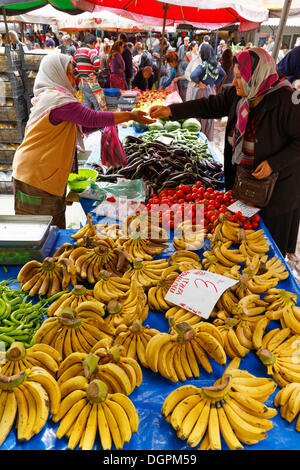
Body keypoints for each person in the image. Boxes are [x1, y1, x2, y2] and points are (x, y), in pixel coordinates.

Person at [149, 47, 300, 259]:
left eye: (241, 78)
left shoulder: (288, 101)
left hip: (276, 190)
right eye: (235, 76)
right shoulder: (239, 95)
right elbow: (209, 105)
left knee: (266, 248)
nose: (235, 82)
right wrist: (172, 111)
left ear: (257, 77)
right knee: (239, 238)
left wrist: (274, 163)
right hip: (244, 183)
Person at [12, 54, 154, 229]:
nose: (74, 79)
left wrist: (107, 124)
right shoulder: (58, 100)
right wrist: (129, 115)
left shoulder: (53, 98)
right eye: (70, 74)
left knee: (48, 225)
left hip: (39, 172)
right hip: (35, 175)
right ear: (56, 73)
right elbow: (90, 117)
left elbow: (82, 125)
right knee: (42, 229)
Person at [189, 43, 226, 141]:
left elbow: (193, 75)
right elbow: (223, 74)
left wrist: (199, 82)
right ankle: (207, 137)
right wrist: (215, 83)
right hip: (211, 92)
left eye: (200, 52)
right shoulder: (217, 65)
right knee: (209, 115)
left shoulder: (203, 65)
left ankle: (199, 137)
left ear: (203, 54)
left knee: (200, 114)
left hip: (201, 92)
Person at [72, 33, 101, 111]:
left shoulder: (77, 51)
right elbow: (97, 61)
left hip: (81, 82)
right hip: (91, 82)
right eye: (95, 44)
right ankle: (100, 122)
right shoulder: (90, 51)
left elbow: (72, 66)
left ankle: (87, 123)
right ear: (93, 43)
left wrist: (78, 76)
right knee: (98, 103)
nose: (95, 46)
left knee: (86, 105)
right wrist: (95, 73)